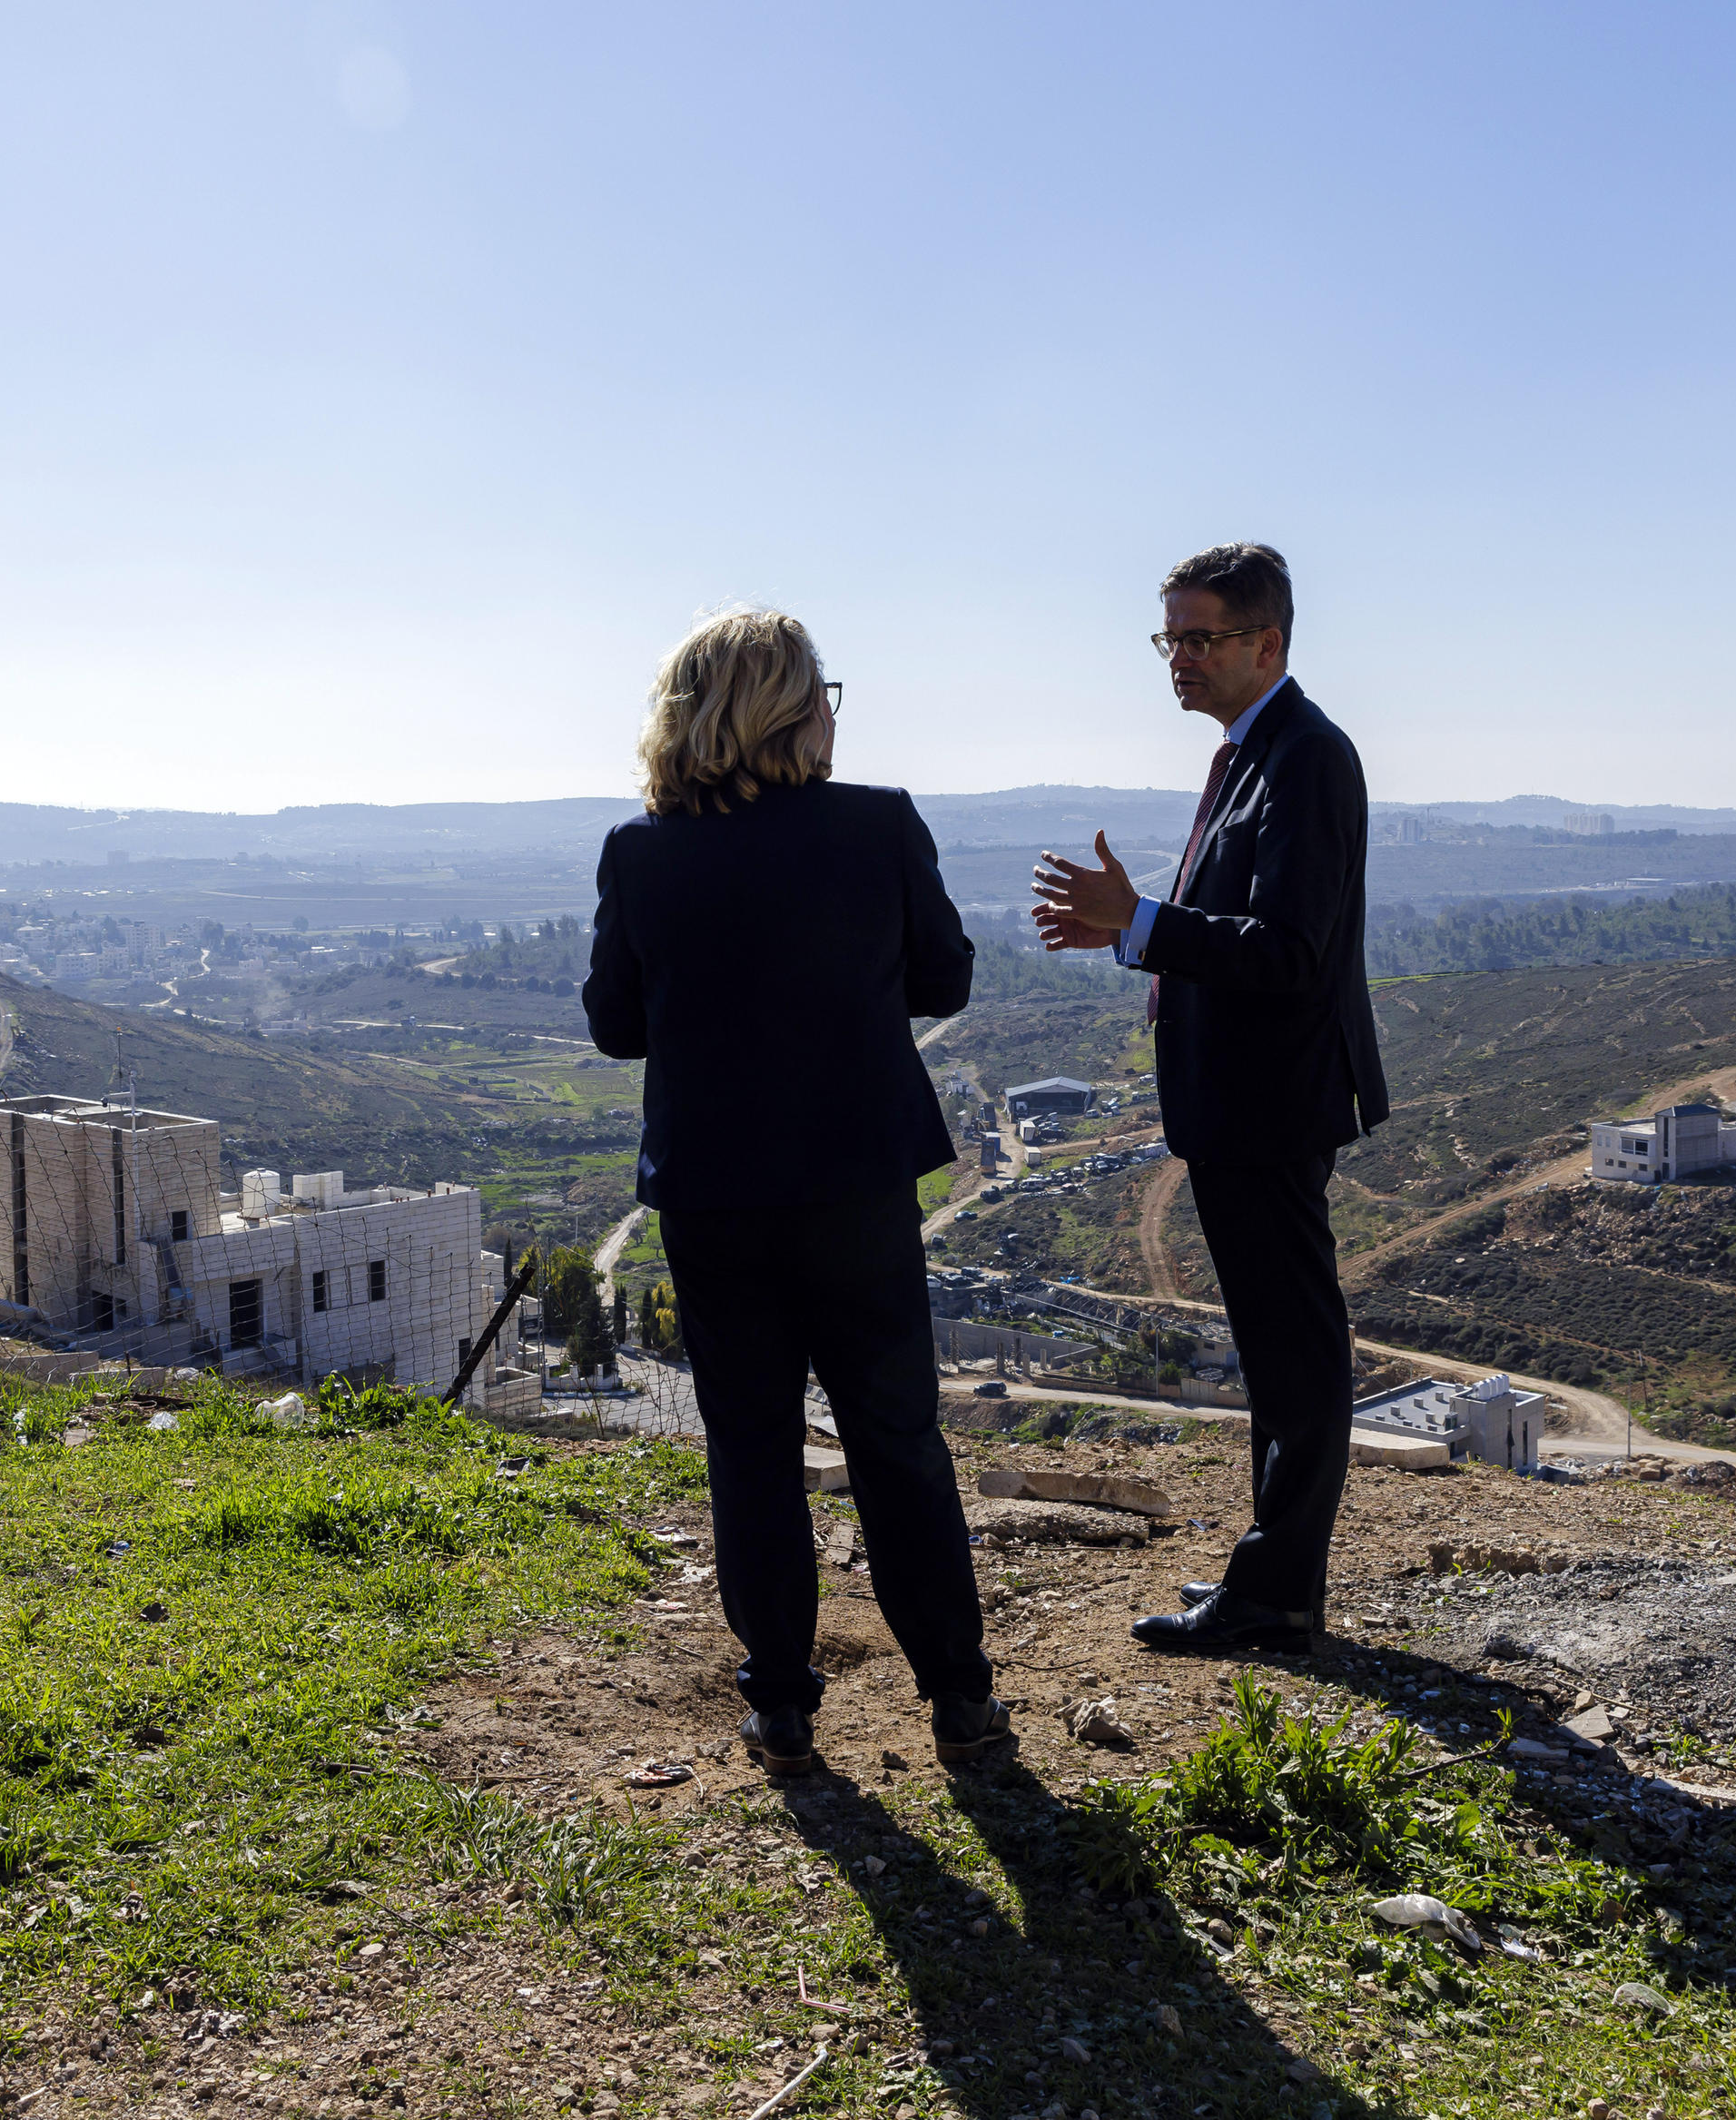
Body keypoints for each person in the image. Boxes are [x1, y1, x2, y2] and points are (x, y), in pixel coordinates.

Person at [583, 605, 1009, 1771]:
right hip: (854, 1181)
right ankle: (960, 1700)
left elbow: (616, 1025)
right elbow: (946, 973)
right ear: (796, 707)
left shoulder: (641, 851)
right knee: (896, 1440)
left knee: (751, 1447)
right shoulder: (877, 828)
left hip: (713, 1193)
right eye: (827, 690)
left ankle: (778, 1702)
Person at [1028, 543, 1391, 1652]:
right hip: (1239, 1103)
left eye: (1199, 637)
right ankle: (1268, 1578)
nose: (1176, 659)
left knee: (1293, 1350)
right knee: (1277, 1347)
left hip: (1272, 1104)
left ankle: (1278, 1592)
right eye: (1167, 638)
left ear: (1265, 643)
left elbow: (1286, 951)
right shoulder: (1250, 750)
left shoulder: (1307, 758)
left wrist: (1140, 922)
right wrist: (1128, 928)